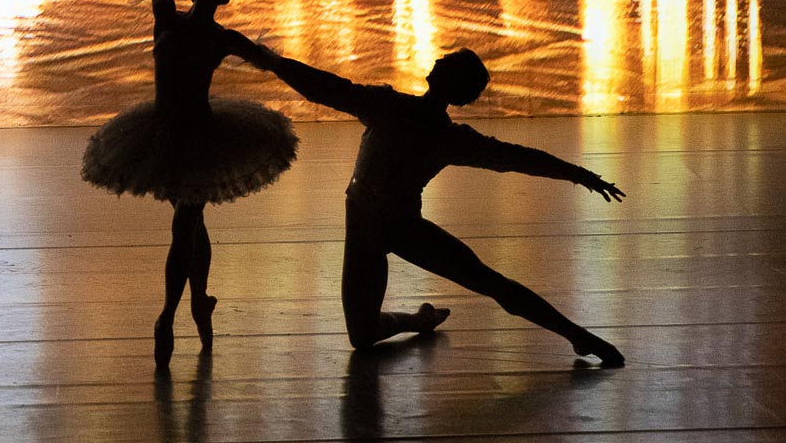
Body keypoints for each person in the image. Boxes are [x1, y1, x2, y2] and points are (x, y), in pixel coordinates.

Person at [267, 48, 628, 366]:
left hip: (400, 227)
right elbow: (324, 87)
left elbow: (517, 158)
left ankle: (577, 334)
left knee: (491, 283)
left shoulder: (419, 123)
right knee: (363, 336)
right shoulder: (395, 109)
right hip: (367, 229)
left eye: (448, 60)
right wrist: (270, 61)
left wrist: (578, 174)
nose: (439, 58)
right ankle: (418, 320)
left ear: (451, 82)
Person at [82, 0, 299, 368]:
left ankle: (168, 316)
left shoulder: (198, 29)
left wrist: (327, 89)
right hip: (173, 136)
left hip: (196, 136)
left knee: (186, 225)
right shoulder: (182, 20)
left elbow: (277, 65)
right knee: (193, 225)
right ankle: (200, 303)